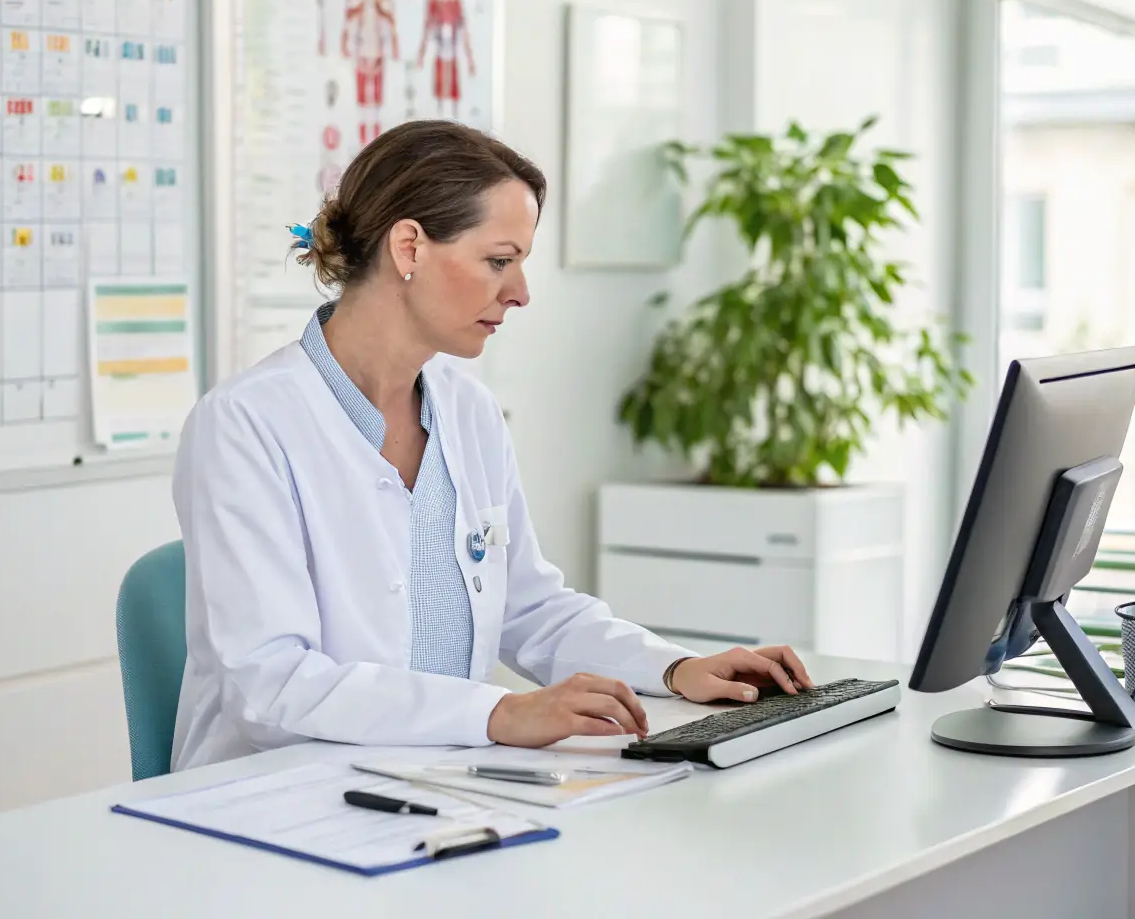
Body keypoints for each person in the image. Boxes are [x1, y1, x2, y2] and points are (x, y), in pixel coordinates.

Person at [171, 121, 811, 771]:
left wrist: (674, 668)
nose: (520, 292)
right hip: (268, 800)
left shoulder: (466, 410)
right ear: (409, 247)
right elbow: (269, 686)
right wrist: (498, 713)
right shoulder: (246, 424)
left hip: (429, 783)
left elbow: (527, 608)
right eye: (499, 261)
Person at [343, 0, 398, 148]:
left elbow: (390, 14)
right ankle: (362, 143)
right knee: (361, 95)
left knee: (375, 95)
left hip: (377, 46)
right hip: (360, 46)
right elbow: (348, 13)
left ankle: (374, 141)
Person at [414, 0, 473, 119]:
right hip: (440, 51)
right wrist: (421, 55)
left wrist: (470, 59)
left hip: (452, 53)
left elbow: (463, 28)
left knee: (453, 93)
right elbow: (427, 26)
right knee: (440, 92)